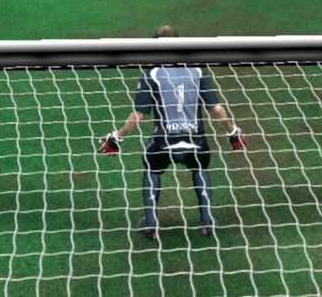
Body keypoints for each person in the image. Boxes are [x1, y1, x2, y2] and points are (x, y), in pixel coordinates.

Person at [98, 25, 245, 241]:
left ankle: (151, 224)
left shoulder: (151, 74)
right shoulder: (197, 71)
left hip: (164, 143)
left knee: (151, 168)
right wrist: (233, 131)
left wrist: (116, 137)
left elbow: (137, 116)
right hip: (196, 142)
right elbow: (216, 110)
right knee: (200, 167)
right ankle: (207, 221)